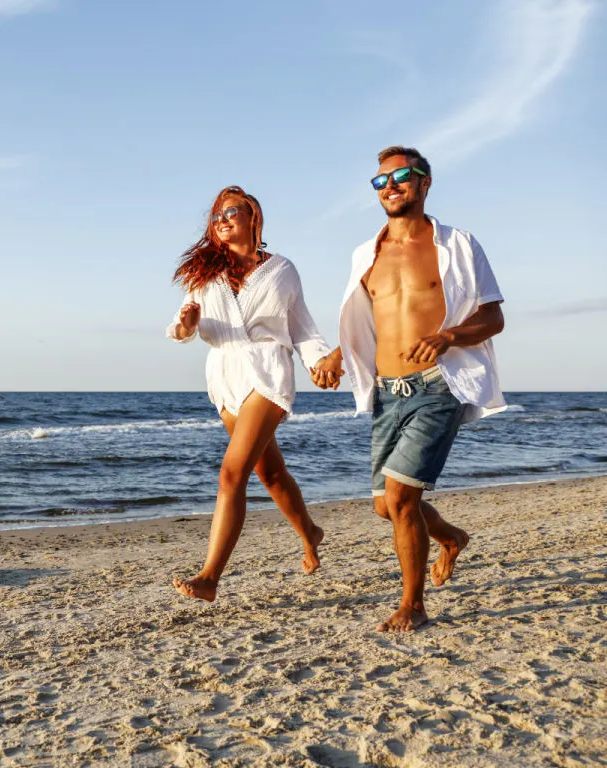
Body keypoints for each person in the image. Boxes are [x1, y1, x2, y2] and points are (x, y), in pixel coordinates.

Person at [314, 146, 506, 632]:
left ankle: (413, 605)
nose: (390, 186)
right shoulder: (366, 254)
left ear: (425, 182)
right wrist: (338, 356)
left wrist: (449, 336)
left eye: (401, 176)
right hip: (384, 391)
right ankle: (451, 537)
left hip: (439, 385)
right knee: (387, 506)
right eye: (380, 181)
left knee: (401, 499)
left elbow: (493, 316)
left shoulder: (456, 245)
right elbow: (366, 321)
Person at [167, 185, 336, 602]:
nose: (221, 220)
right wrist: (187, 323)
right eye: (216, 215)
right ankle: (310, 532)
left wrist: (318, 361)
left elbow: (301, 327)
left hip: (267, 371)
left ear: (252, 217)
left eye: (231, 212)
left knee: (232, 474)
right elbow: (182, 329)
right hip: (224, 375)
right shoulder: (203, 274)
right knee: (270, 473)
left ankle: (210, 576)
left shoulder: (282, 269)